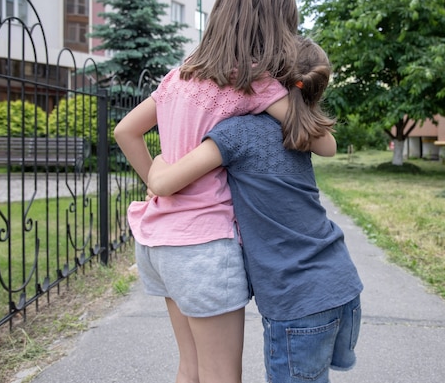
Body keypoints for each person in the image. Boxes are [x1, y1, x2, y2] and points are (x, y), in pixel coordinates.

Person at [112, 0, 326, 383]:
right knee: (220, 376)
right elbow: (314, 139)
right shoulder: (252, 84)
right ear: (277, 25)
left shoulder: (178, 77)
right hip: (204, 248)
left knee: (189, 368)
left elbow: (126, 131)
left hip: (158, 241)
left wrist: (158, 177)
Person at [147, 37, 363, 383]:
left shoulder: (236, 132)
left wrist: (157, 162)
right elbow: (328, 143)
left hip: (296, 302)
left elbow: (165, 182)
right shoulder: (299, 135)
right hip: (341, 285)